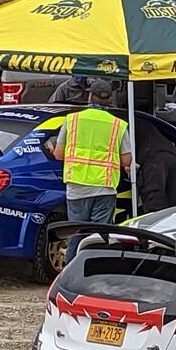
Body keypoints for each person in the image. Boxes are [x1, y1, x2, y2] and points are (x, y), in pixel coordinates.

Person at [53, 79, 131, 264]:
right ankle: (95, 275)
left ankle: (70, 277)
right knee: (99, 237)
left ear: (89, 96)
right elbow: (127, 160)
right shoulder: (118, 125)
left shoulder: (72, 120)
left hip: (77, 188)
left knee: (77, 236)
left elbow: (58, 154)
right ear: (110, 99)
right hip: (104, 188)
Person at [135, 117, 176, 214]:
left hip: (154, 156)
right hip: (171, 153)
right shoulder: (135, 119)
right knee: (170, 197)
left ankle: (155, 225)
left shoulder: (120, 121)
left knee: (154, 198)